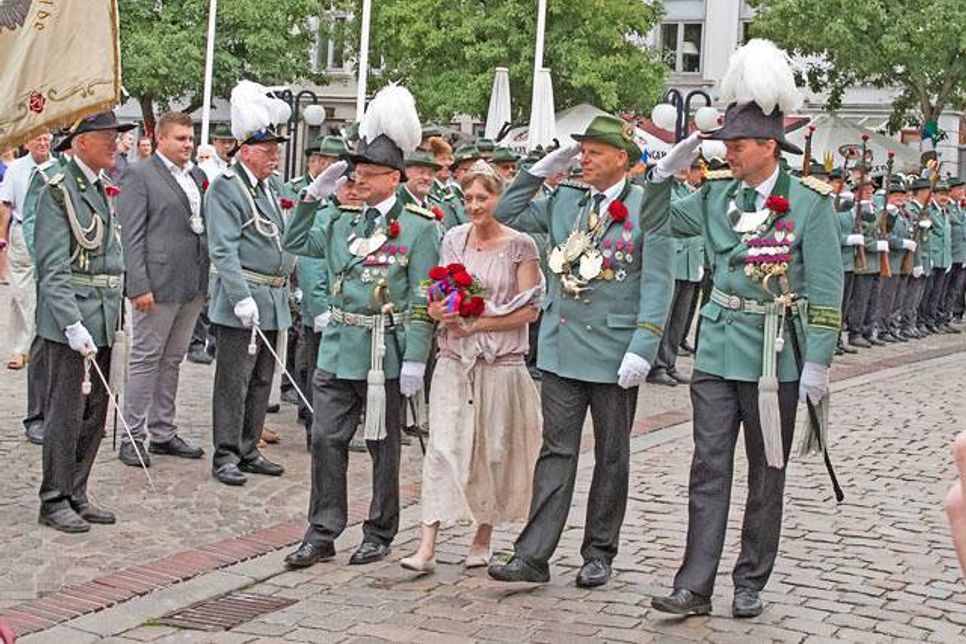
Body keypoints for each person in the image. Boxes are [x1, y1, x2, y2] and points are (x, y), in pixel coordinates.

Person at [651, 39, 843, 619]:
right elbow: (654, 218)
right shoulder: (714, 197)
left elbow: (829, 287)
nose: (728, 153)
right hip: (715, 352)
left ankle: (750, 579)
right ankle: (694, 584)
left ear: (768, 146)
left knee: (767, 473)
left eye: (737, 145)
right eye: (726, 144)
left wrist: (818, 364)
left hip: (774, 359)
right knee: (708, 468)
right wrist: (664, 171)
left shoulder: (809, 203)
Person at [486, 114, 695, 588]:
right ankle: (533, 554)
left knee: (611, 455)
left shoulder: (648, 207)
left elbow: (659, 283)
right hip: (563, 348)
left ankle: (599, 551)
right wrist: (539, 171)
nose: (584, 159)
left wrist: (644, 346)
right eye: (581, 151)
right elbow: (508, 213)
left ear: (622, 158)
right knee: (556, 451)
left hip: (615, 351)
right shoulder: (565, 201)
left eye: (594, 152)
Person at [282, 84, 439, 569]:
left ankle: (379, 530)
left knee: (382, 445)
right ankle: (322, 530)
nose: (359, 182)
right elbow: (296, 241)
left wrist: (415, 357)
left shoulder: (419, 227)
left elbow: (420, 297)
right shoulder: (339, 220)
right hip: (337, 348)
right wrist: (311, 196)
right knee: (325, 439)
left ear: (394, 179)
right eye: (356, 174)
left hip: (382, 353)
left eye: (368, 174)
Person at [399, 161, 543, 573]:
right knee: (443, 446)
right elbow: (436, 294)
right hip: (453, 360)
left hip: (501, 363)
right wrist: (440, 310)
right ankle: (426, 546)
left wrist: (479, 321)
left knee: (491, 450)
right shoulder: (453, 241)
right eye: (469, 198)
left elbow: (529, 310)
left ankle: (483, 535)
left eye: (484, 197)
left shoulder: (521, 245)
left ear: (499, 198)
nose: (475, 206)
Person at [34, 111, 133, 533]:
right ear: (80, 142)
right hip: (72, 318)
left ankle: (77, 490)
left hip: (104, 314)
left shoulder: (98, 187)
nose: (114, 142)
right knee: (66, 411)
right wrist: (72, 322)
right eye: (106, 135)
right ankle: (54, 497)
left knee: (95, 410)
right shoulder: (56, 190)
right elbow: (52, 268)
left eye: (116, 135)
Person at [206, 81, 295, 486]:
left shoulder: (273, 187)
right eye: (268, 149)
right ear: (245, 151)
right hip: (243, 298)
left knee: (262, 378)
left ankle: (248, 445)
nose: (275, 155)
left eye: (276, 149)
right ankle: (225, 452)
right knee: (233, 380)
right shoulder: (226, 188)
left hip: (273, 296)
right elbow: (223, 249)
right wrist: (241, 297)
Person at [115, 111, 209, 467]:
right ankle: (132, 435)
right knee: (145, 359)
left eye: (190, 138)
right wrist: (138, 284)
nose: (188, 144)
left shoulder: (196, 175)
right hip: (156, 283)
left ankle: (163, 430)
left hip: (191, 281)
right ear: (160, 140)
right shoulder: (140, 175)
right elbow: (132, 236)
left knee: (172, 360)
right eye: (181, 139)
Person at [648, 165, 704, 386]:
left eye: (688, 166)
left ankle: (669, 363)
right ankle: (656, 365)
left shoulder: (688, 191)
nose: (684, 169)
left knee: (678, 320)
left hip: (689, 265)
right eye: (681, 164)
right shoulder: (666, 191)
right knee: (664, 317)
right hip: (671, 262)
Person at [0, 132, 51, 370]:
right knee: (21, 293)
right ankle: (19, 349)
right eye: (37, 139)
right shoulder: (16, 169)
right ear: (27, 142)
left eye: (46, 139)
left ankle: (41, 345)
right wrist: (3, 236)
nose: (42, 144)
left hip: (51, 235)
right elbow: (6, 205)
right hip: (22, 233)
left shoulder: (59, 167)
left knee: (48, 292)